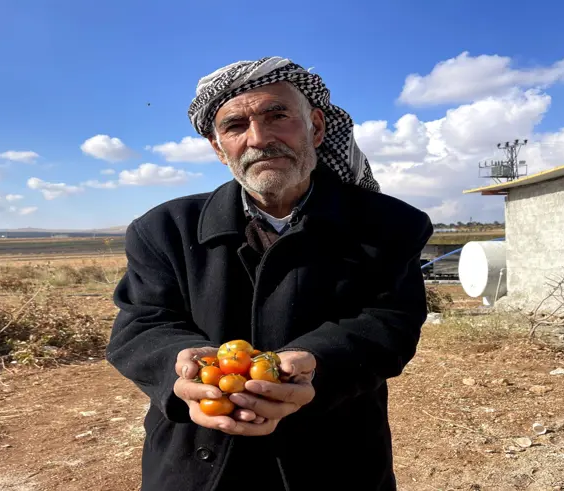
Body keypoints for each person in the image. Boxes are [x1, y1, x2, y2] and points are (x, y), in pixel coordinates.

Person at [106, 57, 432, 491]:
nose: (259, 139)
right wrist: (181, 366)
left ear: (316, 128)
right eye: (236, 126)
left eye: (277, 116)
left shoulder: (389, 225)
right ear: (219, 149)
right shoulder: (162, 229)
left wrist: (316, 365)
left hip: (337, 459)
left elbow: (391, 322)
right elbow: (141, 325)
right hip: (196, 461)